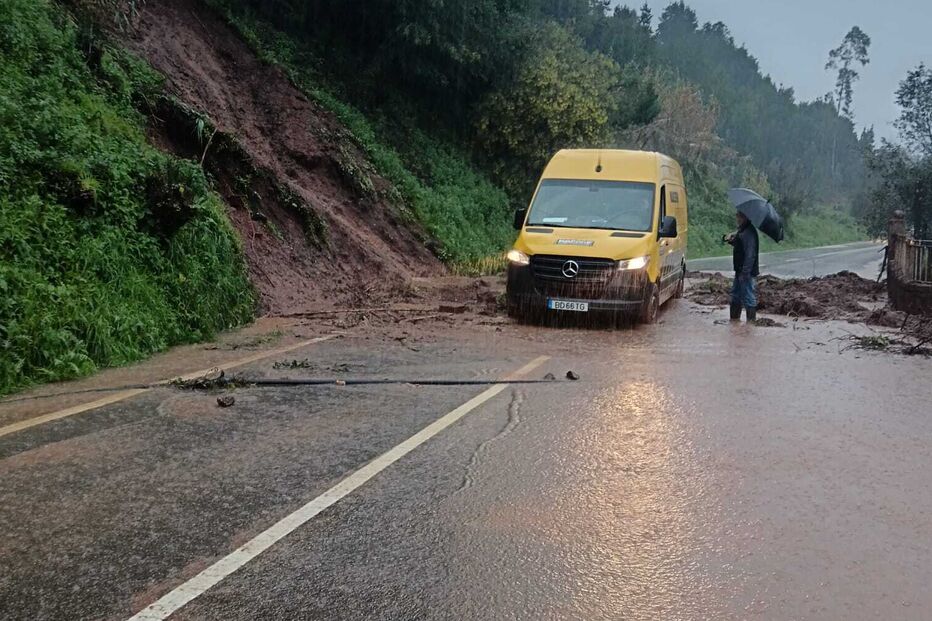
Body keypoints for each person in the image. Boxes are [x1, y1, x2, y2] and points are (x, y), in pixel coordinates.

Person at [724, 212, 759, 321]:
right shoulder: (742, 230)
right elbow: (740, 245)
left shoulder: (749, 232)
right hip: (739, 270)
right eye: (737, 216)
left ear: (746, 217)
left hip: (746, 271)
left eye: (740, 216)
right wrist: (731, 241)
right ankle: (734, 322)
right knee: (735, 295)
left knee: (748, 296)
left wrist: (745, 272)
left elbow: (750, 255)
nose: (737, 218)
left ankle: (751, 324)